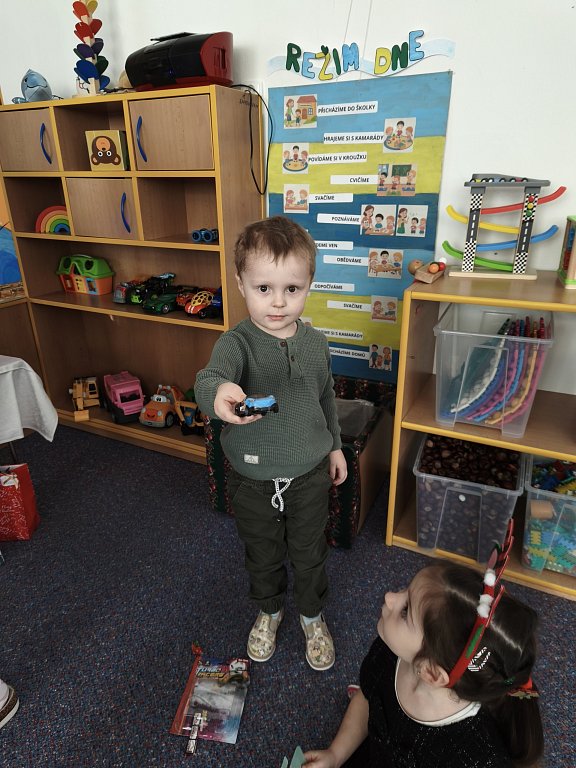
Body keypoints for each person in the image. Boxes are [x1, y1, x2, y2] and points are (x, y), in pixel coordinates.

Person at [195, 216, 347, 672]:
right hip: (252, 480)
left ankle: (312, 616)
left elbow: (326, 397)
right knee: (262, 553)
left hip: (310, 475)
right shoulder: (236, 343)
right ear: (241, 283)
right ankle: (269, 610)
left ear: (309, 285)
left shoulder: (317, 344)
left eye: (291, 289)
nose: (278, 302)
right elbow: (210, 378)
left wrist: (335, 446)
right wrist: (219, 394)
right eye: (264, 288)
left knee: (310, 552)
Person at [303, 530, 544, 767]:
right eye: (405, 591)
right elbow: (368, 698)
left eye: (405, 610)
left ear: (431, 673)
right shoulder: (391, 653)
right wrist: (336, 754)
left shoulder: (473, 756)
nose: (389, 597)